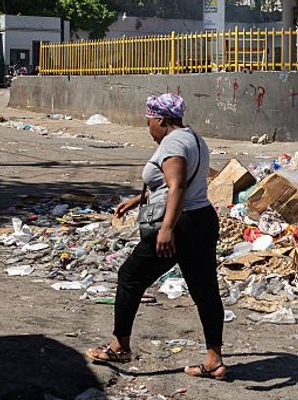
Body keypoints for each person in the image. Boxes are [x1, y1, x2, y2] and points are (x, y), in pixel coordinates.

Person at [86, 93, 226, 380]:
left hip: (180, 223)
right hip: (202, 219)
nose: (148, 126)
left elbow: (176, 188)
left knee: (129, 277)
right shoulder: (193, 138)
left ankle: (119, 346)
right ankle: (214, 359)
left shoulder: (173, 143)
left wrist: (166, 229)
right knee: (205, 291)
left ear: (161, 119)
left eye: (149, 120)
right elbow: (175, 183)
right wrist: (136, 201)